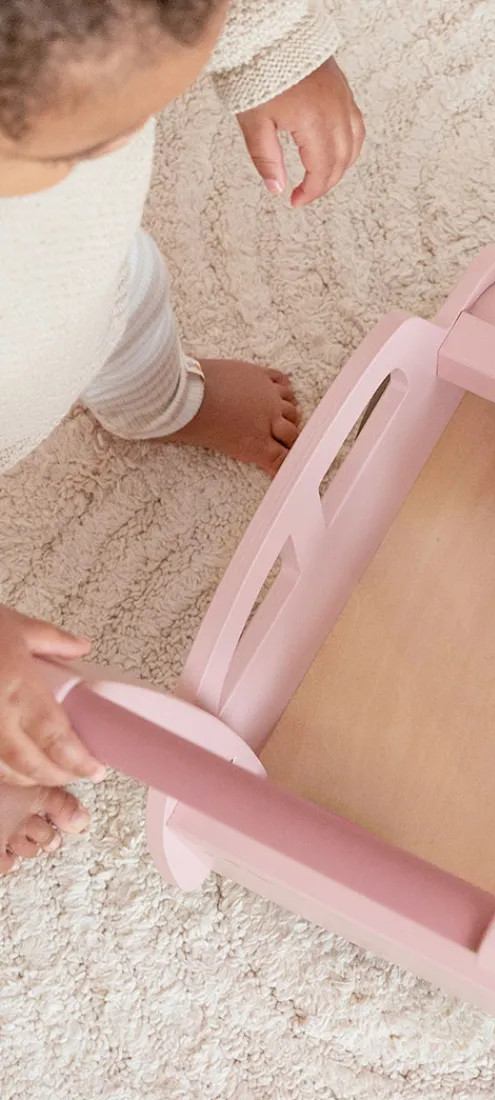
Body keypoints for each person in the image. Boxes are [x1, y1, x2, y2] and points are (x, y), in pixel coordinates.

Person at [0, 0, 365, 873]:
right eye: (91, 142)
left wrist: (266, 45)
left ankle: (160, 401)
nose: (138, 136)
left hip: (83, 271)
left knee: (124, 305)